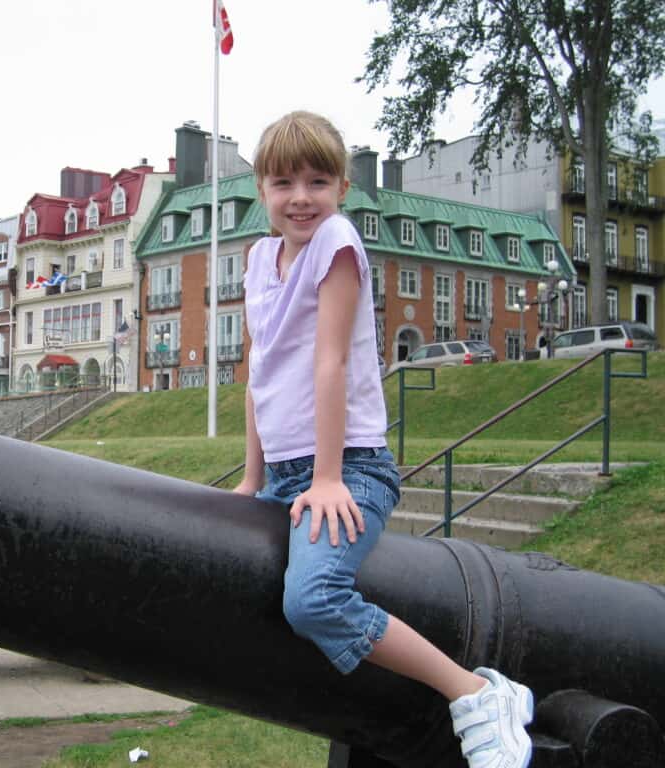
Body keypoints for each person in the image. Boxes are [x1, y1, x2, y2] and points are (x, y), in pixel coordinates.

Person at [233, 111, 533, 768]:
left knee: (313, 600)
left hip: (350, 467)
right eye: (284, 182)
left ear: (342, 187)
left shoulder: (336, 243)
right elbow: (258, 372)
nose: (301, 197)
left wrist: (330, 477)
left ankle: (478, 691)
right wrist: (253, 480)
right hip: (285, 473)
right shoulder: (257, 260)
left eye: (318, 180)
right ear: (262, 190)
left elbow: (330, 362)